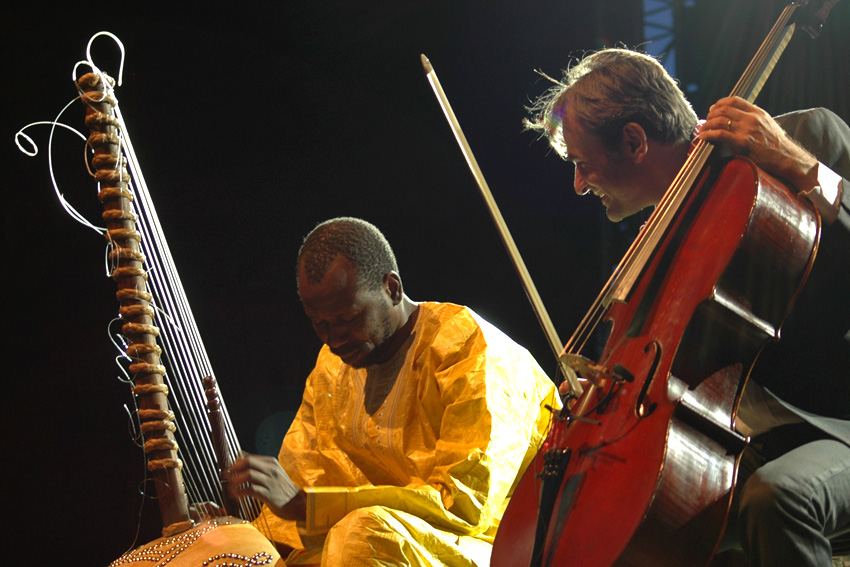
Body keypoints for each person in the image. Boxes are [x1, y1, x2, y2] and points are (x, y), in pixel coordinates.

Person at [525, 48, 850, 566]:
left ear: (633, 141)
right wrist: (606, 388)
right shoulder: (660, 238)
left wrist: (802, 167)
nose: (579, 185)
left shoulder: (805, 139)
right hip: (739, 446)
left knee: (779, 498)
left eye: (582, 165)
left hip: (836, 426)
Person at [227, 217, 560, 566]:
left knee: (363, 534)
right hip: (357, 546)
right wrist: (241, 532)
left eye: (349, 319)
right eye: (319, 323)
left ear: (392, 288)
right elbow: (299, 491)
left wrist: (309, 506)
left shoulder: (467, 348)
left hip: (491, 547)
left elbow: (465, 505)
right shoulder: (332, 366)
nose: (333, 338)